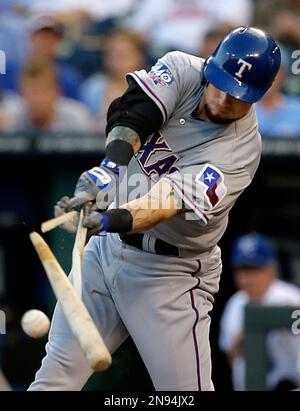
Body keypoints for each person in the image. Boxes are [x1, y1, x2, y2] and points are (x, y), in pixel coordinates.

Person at [29, 27, 281, 391]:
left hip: (169, 276)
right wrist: (109, 168)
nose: (225, 100)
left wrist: (108, 219)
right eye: (221, 85)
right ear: (211, 67)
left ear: (259, 95)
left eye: (238, 96)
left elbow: (165, 205)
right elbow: (135, 110)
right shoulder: (181, 69)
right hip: (106, 254)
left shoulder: (240, 152)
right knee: (55, 378)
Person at [219, 233, 300, 391]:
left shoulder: (292, 299)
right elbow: (231, 355)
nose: (246, 279)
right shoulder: (235, 304)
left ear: (272, 269)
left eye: (254, 270)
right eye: (242, 270)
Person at [127, 0, 253, 55]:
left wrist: (207, 42)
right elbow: (134, 30)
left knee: (219, 43)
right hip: (162, 55)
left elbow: (233, 25)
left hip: (208, 52)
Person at [80, 29, 147, 132]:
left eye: (125, 54)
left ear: (139, 56)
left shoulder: (151, 87)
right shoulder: (93, 87)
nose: (118, 59)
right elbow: (85, 122)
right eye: (113, 54)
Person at [3, 16, 83, 101]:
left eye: (50, 38)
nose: (45, 42)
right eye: (40, 37)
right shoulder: (8, 70)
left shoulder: (69, 77)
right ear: (29, 38)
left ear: (58, 41)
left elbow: (74, 107)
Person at [10, 61, 91, 133]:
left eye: (43, 91)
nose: (37, 99)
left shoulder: (76, 118)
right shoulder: (12, 121)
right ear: (21, 95)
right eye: (31, 93)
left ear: (57, 92)